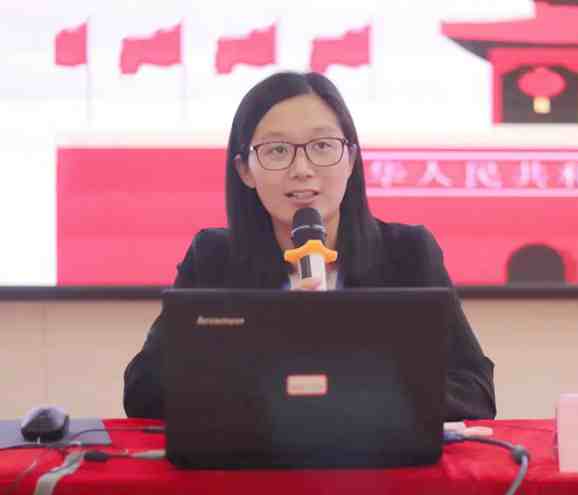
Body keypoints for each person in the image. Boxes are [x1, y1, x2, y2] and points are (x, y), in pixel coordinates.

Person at [123, 71, 496, 421]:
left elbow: (475, 392)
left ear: (350, 159)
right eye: (277, 150)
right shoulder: (213, 256)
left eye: (322, 146)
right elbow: (144, 390)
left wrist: (356, 380)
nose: (302, 168)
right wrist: (270, 346)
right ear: (245, 170)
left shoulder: (409, 252)